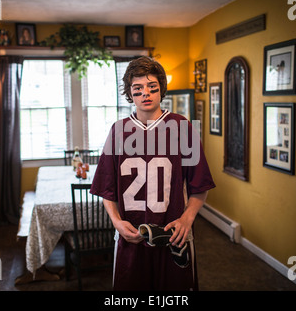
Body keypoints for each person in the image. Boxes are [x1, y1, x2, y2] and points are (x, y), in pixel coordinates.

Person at [90, 56, 215, 291]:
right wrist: (117, 222)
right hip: (131, 237)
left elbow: (200, 186)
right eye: (138, 89)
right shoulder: (118, 131)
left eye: (152, 87)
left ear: (161, 90)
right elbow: (107, 189)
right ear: (129, 93)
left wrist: (187, 219)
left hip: (174, 236)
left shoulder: (182, 127)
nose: (145, 94)